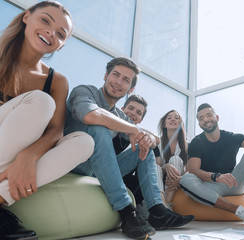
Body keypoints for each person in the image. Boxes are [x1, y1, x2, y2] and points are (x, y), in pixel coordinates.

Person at [64, 57, 194, 239]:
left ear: (130, 89)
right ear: (105, 75)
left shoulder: (119, 115)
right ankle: (127, 212)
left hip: (96, 169)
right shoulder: (85, 91)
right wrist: (134, 129)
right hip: (70, 163)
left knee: (145, 146)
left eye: (126, 80)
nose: (118, 82)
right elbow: (91, 115)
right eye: (115, 75)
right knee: (99, 129)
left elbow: (145, 136)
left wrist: (146, 137)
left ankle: (157, 210)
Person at [0, 2, 94, 239]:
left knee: (84, 141)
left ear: (61, 45)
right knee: (41, 102)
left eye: (61, 34)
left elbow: (55, 131)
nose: (52, 32)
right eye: (45, 20)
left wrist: (28, 156)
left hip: (10, 157)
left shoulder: (57, 81)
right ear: (26, 17)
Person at [180, 103, 244, 227]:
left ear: (217, 117)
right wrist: (216, 176)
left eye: (209, 115)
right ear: (200, 124)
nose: (206, 119)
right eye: (201, 118)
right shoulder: (197, 142)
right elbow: (193, 169)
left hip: (233, 183)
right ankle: (242, 212)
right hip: (210, 186)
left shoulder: (230, 137)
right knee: (186, 179)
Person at [156, 110, 188, 206]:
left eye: (176, 118)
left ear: (180, 124)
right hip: (161, 178)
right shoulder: (158, 143)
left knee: (175, 159)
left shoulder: (188, 145)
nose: (173, 119)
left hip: (180, 178)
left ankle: (167, 204)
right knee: (156, 167)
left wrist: (181, 179)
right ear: (164, 125)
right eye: (169, 118)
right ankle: (163, 204)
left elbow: (190, 170)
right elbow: (156, 168)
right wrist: (165, 167)